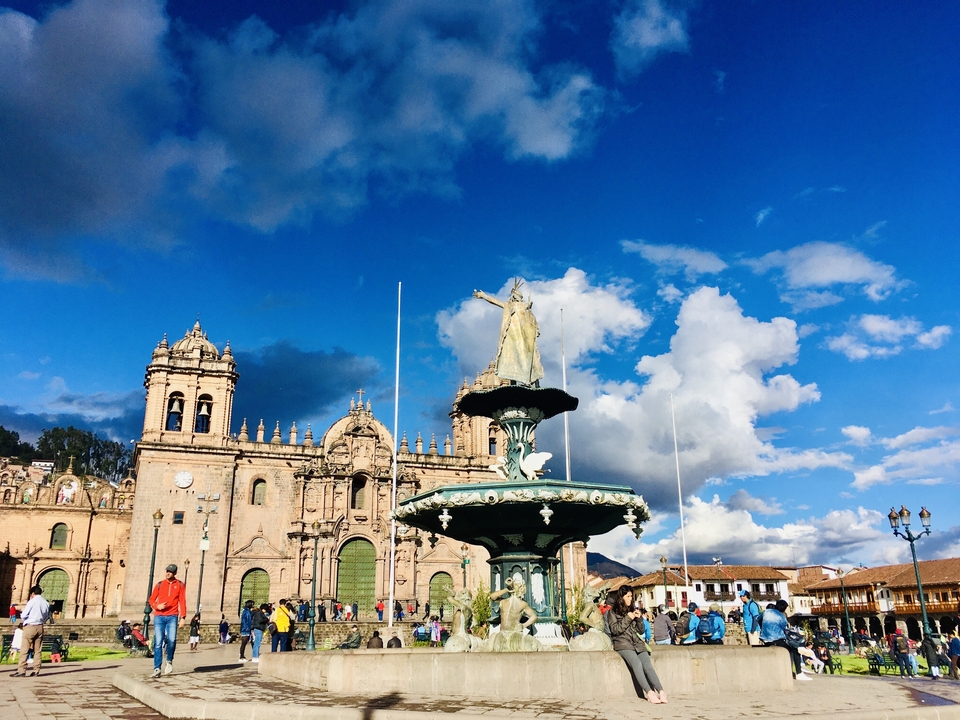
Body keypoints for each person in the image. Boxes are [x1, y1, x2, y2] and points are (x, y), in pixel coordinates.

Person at [606, 586, 666, 704]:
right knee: (637, 664)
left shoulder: (633, 609)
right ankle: (649, 692)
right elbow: (615, 630)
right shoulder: (612, 612)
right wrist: (628, 618)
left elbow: (641, 631)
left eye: (631, 596)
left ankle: (661, 691)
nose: (630, 599)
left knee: (648, 665)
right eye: (628, 596)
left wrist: (639, 620)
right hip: (622, 643)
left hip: (637, 642)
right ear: (621, 597)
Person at [148, 564, 187, 678]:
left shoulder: (180, 585)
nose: (168, 573)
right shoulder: (160, 585)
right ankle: (157, 668)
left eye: (170, 571)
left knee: (172, 640)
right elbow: (151, 599)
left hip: (172, 617)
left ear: (175, 573)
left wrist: (183, 617)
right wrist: (156, 606)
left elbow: (182, 601)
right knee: (158, 642)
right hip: (159, 616)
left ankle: (169, 660)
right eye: (167, 571)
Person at [760, 600, 808, 682]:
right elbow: (784, 628)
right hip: (776, 639)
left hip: (765, 639)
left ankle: (790, 670)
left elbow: (758, 619)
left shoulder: (766, 612)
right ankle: (798, 673)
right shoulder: (781, 616)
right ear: (784, 609)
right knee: (794, 648)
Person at [12, 585, 50, 677]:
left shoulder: (31, 602)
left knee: (24, 649)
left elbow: (24, 615)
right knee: (38, 650)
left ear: (32, 593)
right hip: (40, 627)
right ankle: (36, 670)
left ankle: (21, 670)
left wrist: (24, 618)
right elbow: (46, 615)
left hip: (30, 626)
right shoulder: (45, 602)